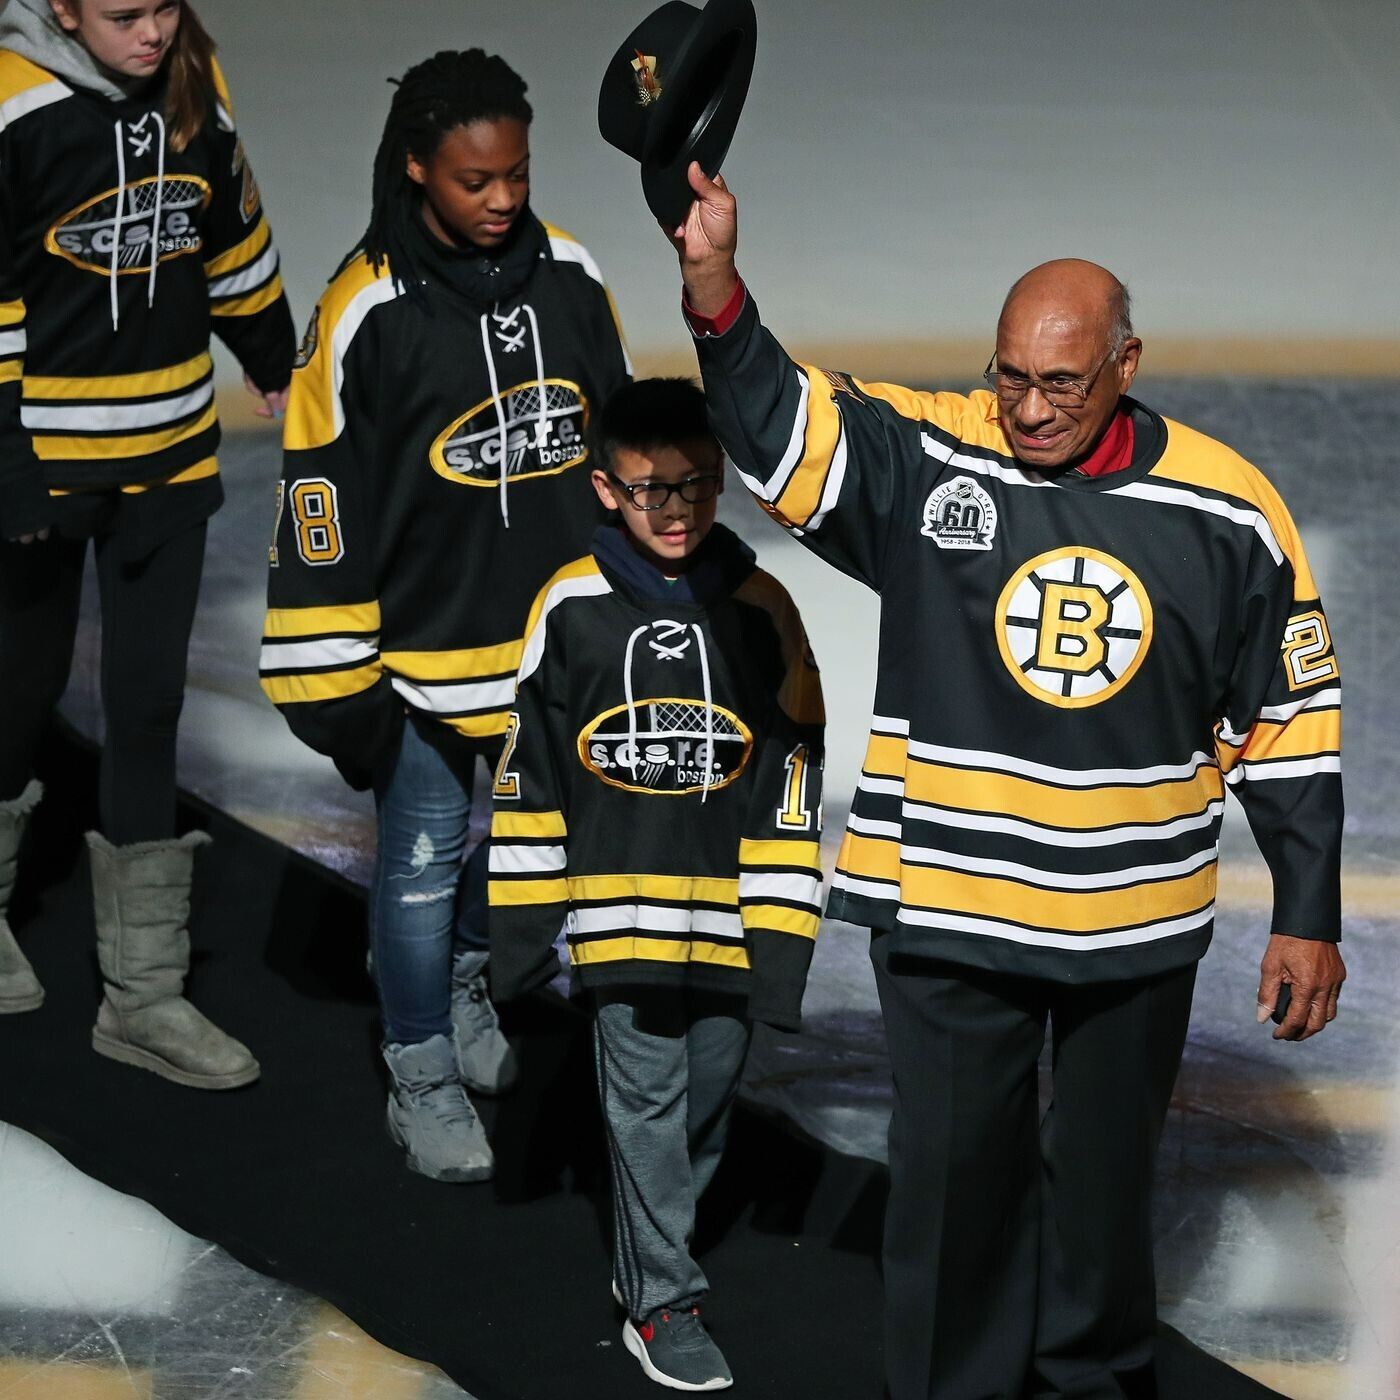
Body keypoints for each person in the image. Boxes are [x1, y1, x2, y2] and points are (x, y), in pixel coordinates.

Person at [662, 165, 1346, 1399]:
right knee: (950, 1192)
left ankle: (1090, 1381)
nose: (1025, 408)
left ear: (1125, 361)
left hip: (1129, 921)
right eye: (1008, 375)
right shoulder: (931, 459)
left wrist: (1303, 906)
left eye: (1059, 382)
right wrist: (711, 283)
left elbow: (1287, 717)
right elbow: (777, 423)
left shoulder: (1228, 511)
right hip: (948, 911)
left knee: (1100, 1194)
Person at [260, 49, 632, 1184]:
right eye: (476, 180)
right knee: (419, 865)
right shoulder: (364, 306)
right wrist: (339, 674)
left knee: (528, 854)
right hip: (419, 661)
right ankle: (416, 1062)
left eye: (516, 173)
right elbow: (318, 496)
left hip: (546, 654)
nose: (504, 199)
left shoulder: (570, 273)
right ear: (418, 165)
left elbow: (615, 448)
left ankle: (470, 972)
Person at [488, 377, 825, 1391]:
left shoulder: (765, 609)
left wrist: (781, 937)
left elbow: (790, 782)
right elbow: (529, 772)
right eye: (645, 490)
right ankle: (661, 1300)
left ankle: (658, 1241)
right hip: (615, 919)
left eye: (690, 486)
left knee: (705, 1102)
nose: (671, 509)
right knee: (644, 1104)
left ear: (718, 481)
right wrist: (521, 924)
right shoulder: (568, 609)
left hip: (728, 914)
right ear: (603, 487)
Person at [0, 0, 293, 1089]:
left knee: (149, 702)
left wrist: (273, 359)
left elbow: (234, 247)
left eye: (167, 5)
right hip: (46, 464)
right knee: (19, 688)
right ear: (60, 9)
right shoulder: (13, 108)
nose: (154, 30)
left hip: (168, 457)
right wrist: (10, 461)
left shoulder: (192, 95)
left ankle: (143, 995)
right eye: (124, 14)